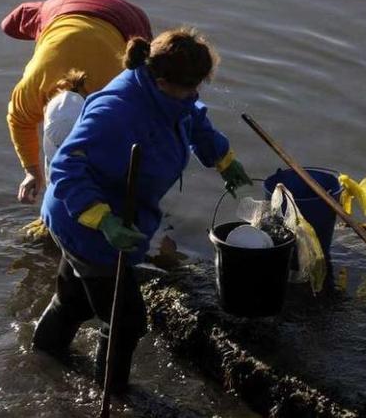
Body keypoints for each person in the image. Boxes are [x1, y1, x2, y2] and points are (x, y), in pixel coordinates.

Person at [33, 27, 252, 392]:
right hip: (88, 225)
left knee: (73, 302)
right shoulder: (115, 111)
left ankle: (40, 360)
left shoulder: (172, 99)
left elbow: (194, 118)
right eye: (190, 87)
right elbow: (66, 167)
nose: (195, 95)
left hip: (105, 217)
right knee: (126, 322)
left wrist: (222, 159)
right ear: (163, 81)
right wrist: (104, 221)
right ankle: (113, 397)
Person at [1, 0, 152, 204]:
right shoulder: (34, 85)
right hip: (59, 10)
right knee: (10, 25)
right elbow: (19, 120)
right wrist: (33, 171)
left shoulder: (120, 89)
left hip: (127, 18)